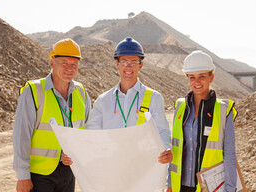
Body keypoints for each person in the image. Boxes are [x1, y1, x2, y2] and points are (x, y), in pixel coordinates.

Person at [13, 38, 91, 192]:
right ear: (52, 63)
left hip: (69, 171)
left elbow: (87, 131)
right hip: (40, 174)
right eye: (64, 63)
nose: (69, 68)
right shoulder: (33, 91)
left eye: (74, 64)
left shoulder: (81, 92)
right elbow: (21, 136)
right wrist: (23, 176)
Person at [82, 37, 172, 164]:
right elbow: (91, 135)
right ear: (117, 63)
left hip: (142, 168)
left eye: (134, 62)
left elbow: (162, 132)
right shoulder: (103, 101)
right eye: (124, 61)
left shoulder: (153, 98)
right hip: (113, 167)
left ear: (140, 65)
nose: (128, 67)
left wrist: (166, 149)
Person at [167, 50, 238, 192]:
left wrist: (231, 189)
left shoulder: (224, 110)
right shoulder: (180, 106)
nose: (197, 82)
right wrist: (169, 184)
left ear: (211, 77)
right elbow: (174, 147)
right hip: (180, 186)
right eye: (192, 77)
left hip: (210, 187)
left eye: (202, 76)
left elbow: (229, 154)